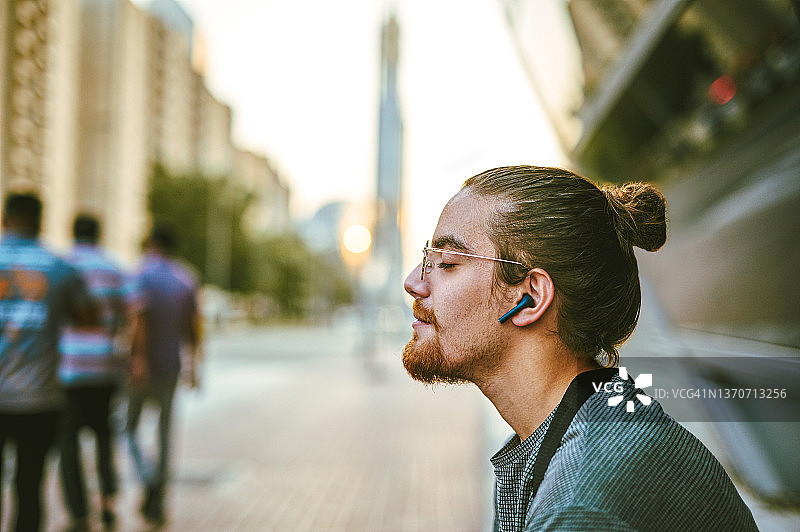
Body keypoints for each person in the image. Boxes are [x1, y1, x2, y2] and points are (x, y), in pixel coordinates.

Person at [401, 166, 758, 531]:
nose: (414, 282)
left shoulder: (580, 505)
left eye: (446, 263)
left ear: (530, 297)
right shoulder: (605, 424)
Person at [0, 193, 96, 532]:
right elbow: (89, 317)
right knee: (28, 487)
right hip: (38, 399)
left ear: (4, 218)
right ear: (40, 221)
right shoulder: (60, 268)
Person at [127, 224, 201, 525]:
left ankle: (147, 476)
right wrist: (193, 366)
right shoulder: (186, 278)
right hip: (171, 366)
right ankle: (160, 492)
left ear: (152, 243)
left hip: (142, 366)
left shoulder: (141, 274)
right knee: (165, 430)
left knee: (128, 427)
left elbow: (137, 319)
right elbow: (193, 327)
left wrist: (139, 359)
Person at [58, 214, 128, 530]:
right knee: (103, 438)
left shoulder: (63, 266)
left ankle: (79, 512)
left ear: (73, 234)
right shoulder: (115, 270)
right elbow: (128, 317)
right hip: (104, 368)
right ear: (99, 235)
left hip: (68, 370)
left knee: (68, 443)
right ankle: (108, 501)